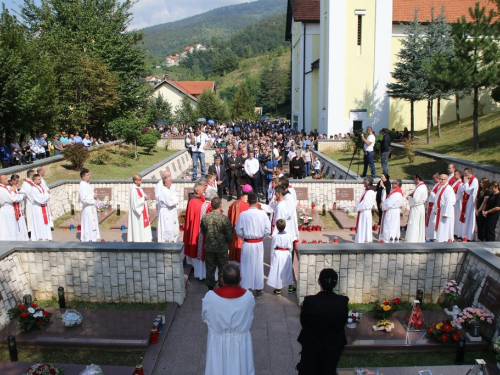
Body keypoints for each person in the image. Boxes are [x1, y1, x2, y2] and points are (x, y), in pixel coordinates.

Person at [202, 264, 255, 375]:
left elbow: (205, 317)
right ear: (240, 279)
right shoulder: (248, 297)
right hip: (240, 342)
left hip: (217, 341)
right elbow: (250, 315)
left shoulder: (210, 297)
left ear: (222, 280)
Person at [296, 268, 348, 375]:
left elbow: (304, 322)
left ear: (319, 281)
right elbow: (342, 322)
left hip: (312, 344)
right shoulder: (342, 302)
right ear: (336, 283)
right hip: (334, 345)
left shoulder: (310, 301)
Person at [235, 193, 271, 298]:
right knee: (258, 266)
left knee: (246, 266)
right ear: (256, 202)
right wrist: (260, 238)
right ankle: (258, 289)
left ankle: (245, 289)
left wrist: (245, 237)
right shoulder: (263, 214)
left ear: (248, 202)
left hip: (247, 243)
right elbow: (267, 230)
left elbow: (238, 230)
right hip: (258, 244)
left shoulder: (243, 214)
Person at [200, 197, 233, 290]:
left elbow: (202, 231)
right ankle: (222, 288)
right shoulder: (224, 219)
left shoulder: (205, 217)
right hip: (222, 248)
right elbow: (229, 236)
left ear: (211, 205)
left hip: (209, 247)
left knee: (210, 268)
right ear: (220, 205)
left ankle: (210, 289)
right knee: (222, 269)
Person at [267, 218, 294, 296]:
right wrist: (289, 253)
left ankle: (278, 289)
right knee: (288, 270)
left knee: (278, 271)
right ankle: (290, 287)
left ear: (277, 227)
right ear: (285, 226)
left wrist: (272, 257)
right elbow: (291, 247)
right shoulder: (289, 236)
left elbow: (273, 247)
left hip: (278, 254)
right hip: (286, 253)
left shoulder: (275, 237)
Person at [183, 181, 206, 270]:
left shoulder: (197, 200)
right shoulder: (194, 202)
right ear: (197, 191)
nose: (204, 191)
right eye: (202, 190)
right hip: (195, 227)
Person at [228, 185, 253, 263]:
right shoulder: (254, 204)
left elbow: (230, 217)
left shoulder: (235, 204)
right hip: (251, 232)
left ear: (242, 192)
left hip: (238, 231)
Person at [127, 174, 152, 242]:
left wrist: (145, 198)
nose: (141, 181)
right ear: (135, 181)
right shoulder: (133, 189)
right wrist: (144, 198)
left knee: (143, 225)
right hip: (138, 213)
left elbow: (141, 197)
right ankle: (138, 239)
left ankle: (144, 238)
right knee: (138, 227)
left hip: (142, 210)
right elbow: (135, 203)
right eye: (139, 179)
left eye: (141, 179)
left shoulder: (139, 188)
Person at [156, 172, 180, 243]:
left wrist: (175, 200)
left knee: (171, 226)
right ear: (166, 183)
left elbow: (174, 198)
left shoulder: (168, 189)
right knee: (167, 227)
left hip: (170, 211)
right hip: (166, 212)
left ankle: (172, 240)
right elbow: (170, 202)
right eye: (170, 182)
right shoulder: (164, 191)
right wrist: (175, 201)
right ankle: (166, 241)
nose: (171, 183)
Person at [0, 174, 25, 241]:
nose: (7, 179)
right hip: (7, 210)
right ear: (1, 181)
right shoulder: (1, 189)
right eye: (5, 178)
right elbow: (12, 199)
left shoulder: (7, 187)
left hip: (11, 209)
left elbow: (15, 196)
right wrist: (13, 192)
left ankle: (14, 239)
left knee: (13, 227)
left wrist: (18, 193)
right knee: (8, 227)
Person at [433, 174, 456, 242]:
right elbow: (437, 198)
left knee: (445, 227)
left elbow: (449, 201)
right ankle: (440, 239)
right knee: (441, 227)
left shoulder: (448, 189)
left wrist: (446, 212)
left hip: (446, 211)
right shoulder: (441, 187)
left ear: (447, 179)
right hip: (440, 210)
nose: (441, 181)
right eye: (440, 179)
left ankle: (445, 240)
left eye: (443, 179)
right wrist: (436, 208)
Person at [456, 167, 478, 240]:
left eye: (466, 174)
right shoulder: (467, 180)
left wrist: (465, 183)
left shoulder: (474, 180)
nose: (465, 175)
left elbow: (468, 191)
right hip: (466, 202)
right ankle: (463, 234)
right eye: (464, 174)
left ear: (470, 172)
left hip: (471, 202)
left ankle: (468, 236)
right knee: (464, 219)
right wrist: (464, 184)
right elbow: (462, 188)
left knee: (469, 220)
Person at [79, 168, 100, 242]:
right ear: (83, 177)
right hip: (87, 208)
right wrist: (93, 197)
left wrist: (96, 199)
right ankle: (88, 238)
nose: (89, 176)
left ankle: (92, 237)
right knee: (88, 224)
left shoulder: (88, 185)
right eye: (87, 175)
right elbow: (83, 199)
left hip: (92, 207)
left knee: (93, 223)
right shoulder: (82, 186)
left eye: (89, 174)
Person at [405, 173, 427, 243]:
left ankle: (413, 239)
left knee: (414, 224)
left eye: (415, 178)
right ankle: (419, 239)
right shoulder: (424, 187)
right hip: (420, 207)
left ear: (417, 179)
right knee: (419, 224)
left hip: (416, 208)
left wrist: (409, 198)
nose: (414, 180)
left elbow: (415, 200)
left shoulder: (420, 188)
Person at [354, 177, 376, 243]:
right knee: (361, 227)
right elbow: (360, 201)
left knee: (364, 227)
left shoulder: (371, 192)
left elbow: (365, 203)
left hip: (365, 211)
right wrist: (357, 206)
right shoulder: (365, 190)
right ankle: (360, 240)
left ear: (368, 183)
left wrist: (357, 208)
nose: (363, 183)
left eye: (365, 182)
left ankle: (364, 241)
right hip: (362, 211)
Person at [31, 173, 51, 241]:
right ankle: (40, 237)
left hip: (43, 207)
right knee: (39, 223)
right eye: (39, 179)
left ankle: (46, 236)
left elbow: (44, 195)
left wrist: (46, 194)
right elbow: (40, 199)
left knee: (44, 222)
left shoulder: (40, 187)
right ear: (35, 180)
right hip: (38, 208)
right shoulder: (34, 188)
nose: (40, 181)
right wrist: (47, 195)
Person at [9, 174, 29, 241]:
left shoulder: (16, 187)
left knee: (22, 225)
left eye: (18, 181)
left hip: (19, 209)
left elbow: (24, 193)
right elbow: (15, 198)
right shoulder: (10, 188)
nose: (17, 183)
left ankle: (24, 238)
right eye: (16, 181)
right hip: (15, 209)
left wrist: (20, 189)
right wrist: (21, 196)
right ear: (12, 181)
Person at [20, 169, 36, 236]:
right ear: (31, 175)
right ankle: (31, 231)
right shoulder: (26, 183)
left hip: (33, 202)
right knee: (30, 216)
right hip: (29, 203)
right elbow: (28, 193)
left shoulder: (31, 182)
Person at [425, 173, 441, 241]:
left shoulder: (439, 186)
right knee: (430, 221)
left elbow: (437, 197)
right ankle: (430, 235)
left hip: (434, 206)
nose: (433, 180)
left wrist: (431, 193)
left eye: (434, 178)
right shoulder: (436, 185)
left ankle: (433, 236)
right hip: (431, 205)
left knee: (433, 221)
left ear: (437, 178)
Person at [451, 170, 463, 237]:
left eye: (455, 175)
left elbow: (459, 195)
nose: (454, 176)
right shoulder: (454, 182)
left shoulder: (460, 184)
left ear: (459, 175)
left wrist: (452, 199)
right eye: (454, 175)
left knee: (456, 217)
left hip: (457, 203)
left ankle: (456, 232)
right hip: (453, 203)